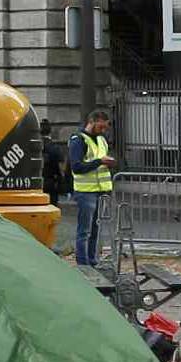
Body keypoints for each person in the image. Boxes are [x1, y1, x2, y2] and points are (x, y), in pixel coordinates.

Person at [68, 109, 114, 269]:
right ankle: (83, 263)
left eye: (105, 128)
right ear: (93, 121)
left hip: (100, 190)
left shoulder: (101, 140)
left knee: (95, 228)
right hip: (85, 191)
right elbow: (77, 167)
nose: (103, 130)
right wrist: (100, 161)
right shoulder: (79, 140)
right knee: (85, 231)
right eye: (101, 127)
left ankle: (92, 260)